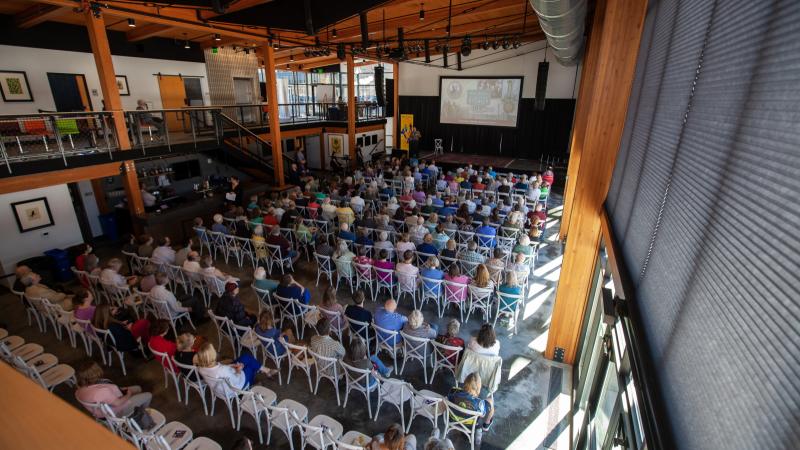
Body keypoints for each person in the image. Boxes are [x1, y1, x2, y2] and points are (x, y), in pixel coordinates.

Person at [75, 360, 152, 418]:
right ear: (97, 372)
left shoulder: (78, 391)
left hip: (102, 409)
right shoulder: (102, 391)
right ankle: (139, 415)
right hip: (115, 412)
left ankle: (136, 405)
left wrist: (122, 389)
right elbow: (117, 403)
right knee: (148, 395)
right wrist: (128, 394)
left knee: (138, 388)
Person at [195, 342, 274, 394]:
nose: (215, 351)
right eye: (214, 350)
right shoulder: (223, 370)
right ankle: (250, 386)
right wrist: (239, 370)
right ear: (212, 355)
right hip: (233, 389)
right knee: (250, 366)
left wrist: (231, 366)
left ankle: (267, 370)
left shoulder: (200, 368)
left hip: (219, 388)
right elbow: (237, 380)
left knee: (245, 357)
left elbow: (218, 368)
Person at [447, 373, 495, 446]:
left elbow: (448, 399)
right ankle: (486, 426)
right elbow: (483, 415)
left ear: (465, 382)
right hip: (471, 425)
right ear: (478, 387)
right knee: (490, 401)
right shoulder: (479, 403)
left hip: (453, 420)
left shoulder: (453, 391)